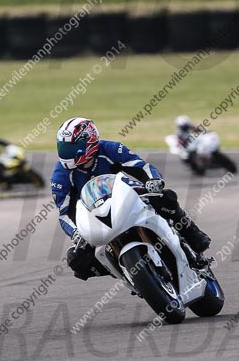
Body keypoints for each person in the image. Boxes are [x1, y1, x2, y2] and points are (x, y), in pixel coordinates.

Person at [51, 117, 212, 280]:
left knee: (164, 197)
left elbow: (142, 167)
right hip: (97, 217)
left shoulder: (111, 149)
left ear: (89, 142)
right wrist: (76, 233)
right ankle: (126, 271)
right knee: (76, 260)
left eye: (72, 147)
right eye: (63, 148)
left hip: (130, 199)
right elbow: (64, 214)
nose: (67, 153)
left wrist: (153, 181)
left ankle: (192, 234)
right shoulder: (60, 176)